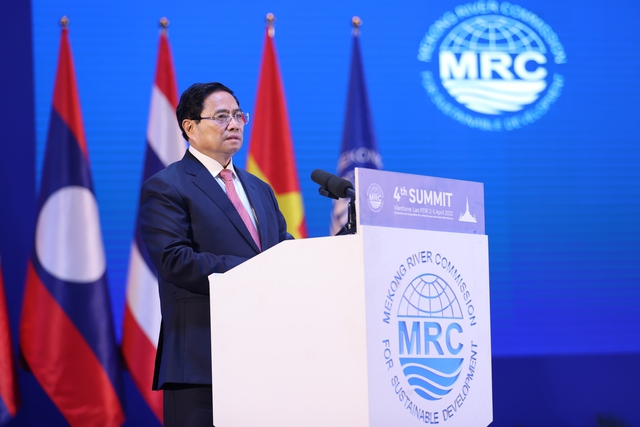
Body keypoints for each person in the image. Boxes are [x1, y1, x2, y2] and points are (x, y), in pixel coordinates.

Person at [138, 82, 293, 426]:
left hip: (267, 358)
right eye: (222, 117)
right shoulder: (166, 186)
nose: (234, 124)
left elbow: (283, 250)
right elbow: (174, 260)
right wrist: (256, 271)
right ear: (190, 127)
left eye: (238, 116)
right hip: (201, 360)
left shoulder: (259, 189)